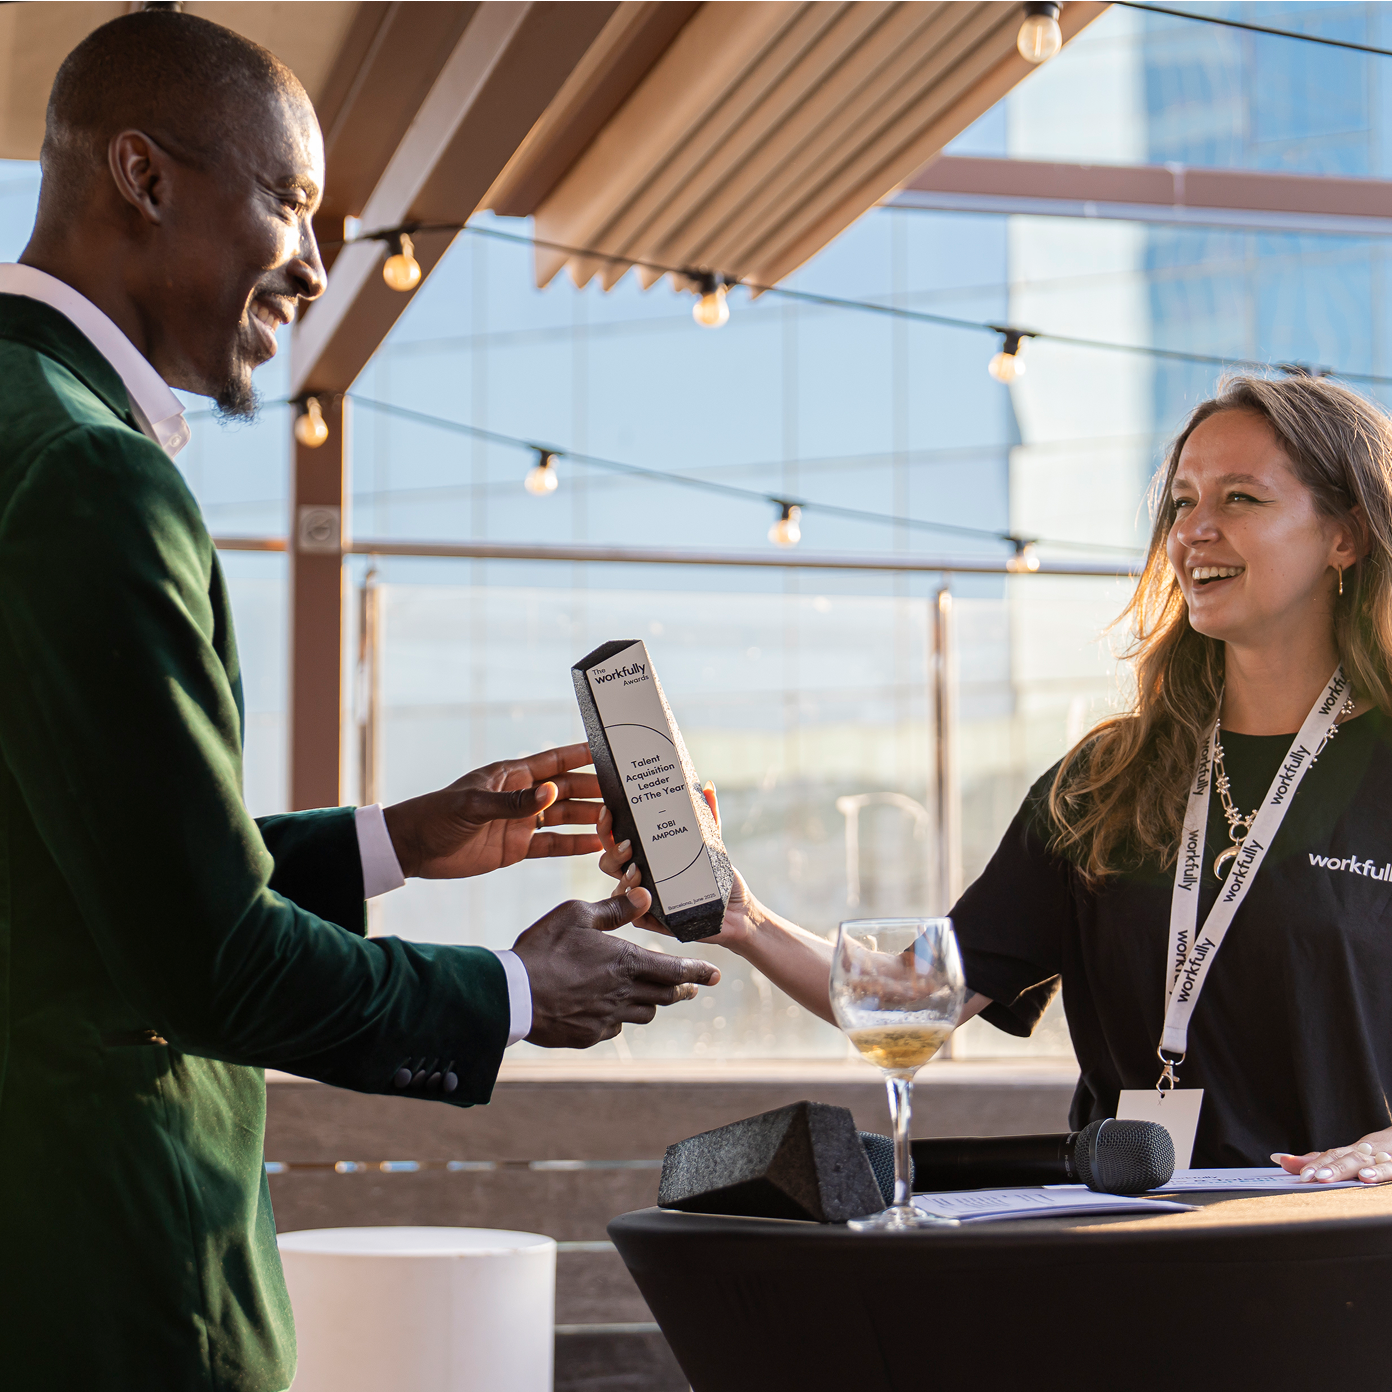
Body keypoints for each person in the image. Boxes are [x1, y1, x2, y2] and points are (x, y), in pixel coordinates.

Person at [0, 11, 717, 1388]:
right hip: (102, 1281)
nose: (319, 262)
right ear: (142, 177)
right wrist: (518, 990)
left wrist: (398, 839)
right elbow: (201, 960)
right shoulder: (92, 478)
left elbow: (83, 877)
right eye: (289, 201)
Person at [604, 371, 1392, 1185]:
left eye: (1241, 500)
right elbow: (916, 1000)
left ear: (1347, 536)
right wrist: (743, 918)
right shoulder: (1104, 782)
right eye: (1183, 502)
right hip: (1142, 1249)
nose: (1195, 530)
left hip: (1343, 1247)